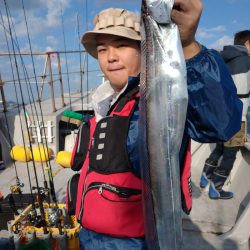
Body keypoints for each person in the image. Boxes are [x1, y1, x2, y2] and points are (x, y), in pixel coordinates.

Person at [67, 1, 242, 249]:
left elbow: (219, 123)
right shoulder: (100, 108)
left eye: (122, 45)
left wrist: (188, 46)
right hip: (88, 238)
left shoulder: (157, 101)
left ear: (144, 49)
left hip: (141, 241)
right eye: (103, 49)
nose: (111, 57)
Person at [200, 30, 250, 200]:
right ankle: (217, 189)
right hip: (237, 118)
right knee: (230, 154)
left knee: (219, 149)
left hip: (220, 116)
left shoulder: (221, 60)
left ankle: (205, 177)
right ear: (248, 43)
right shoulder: (246, 61)